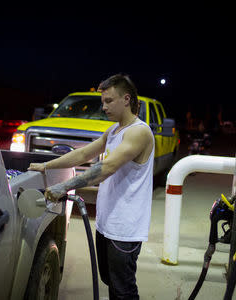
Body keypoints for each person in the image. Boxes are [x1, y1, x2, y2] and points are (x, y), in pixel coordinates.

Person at [28, 74, 155, 299]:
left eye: (109, 101)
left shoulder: (139, 132)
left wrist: (64, 186)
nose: (103, 107)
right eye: (102, 101)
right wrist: (46, 165)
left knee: (123, 289)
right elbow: (83, 154)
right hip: (107, 222)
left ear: (126, 99)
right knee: (110, 281)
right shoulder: (114, 131)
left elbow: (107, 167)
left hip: (124, 229)